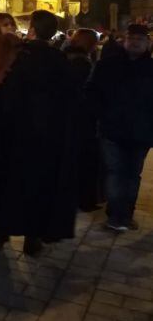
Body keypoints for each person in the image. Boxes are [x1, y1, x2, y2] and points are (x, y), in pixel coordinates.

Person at [0, 10, 77, 256]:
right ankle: (32, 238)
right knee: (38, 183)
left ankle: (2, 233)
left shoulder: (19, 56)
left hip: (15, 132)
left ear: (32, 29)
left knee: (8, 182)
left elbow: (2, 91)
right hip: (46, 135)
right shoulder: (60, 59)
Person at [87, 24, 153, 231]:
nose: (135, 42)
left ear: (148, 43)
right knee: (115, 172)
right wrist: (102, 114)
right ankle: (115, 216)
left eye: (140, 39)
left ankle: (126, 214)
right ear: (124, 40)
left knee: (132, 174)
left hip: (141, 132)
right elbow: (91, 91)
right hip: (112, 130)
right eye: (131, 37)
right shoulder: (107, 65)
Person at [64, 29, 102, 212]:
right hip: (81, 119)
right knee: (85, 160)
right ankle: (85, 199)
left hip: (67, 117)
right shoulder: (82, 63)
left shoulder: (64, 58)